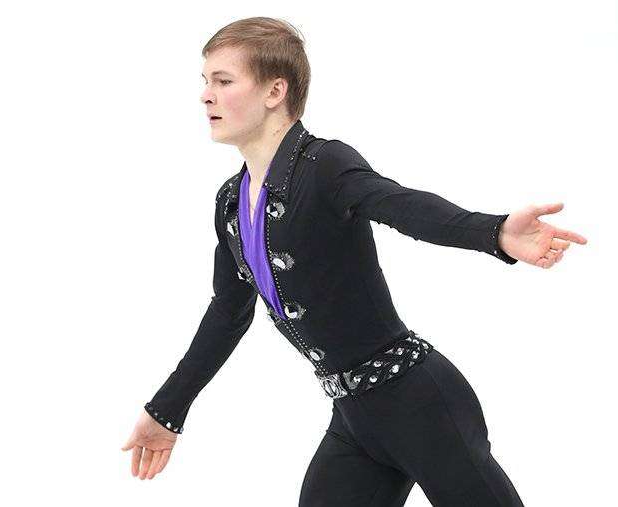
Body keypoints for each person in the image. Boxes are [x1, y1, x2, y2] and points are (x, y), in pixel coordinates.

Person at [121, 17, 587, 506]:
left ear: (275, 90)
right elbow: (227, 314)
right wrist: (168, 409)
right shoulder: (231, 202)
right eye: (205, 81)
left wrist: (493, 231)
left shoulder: (324, 165)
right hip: (354, 422)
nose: (205, 95)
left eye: (223, 81)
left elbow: (400, 205)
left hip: (422, 406)